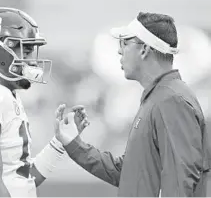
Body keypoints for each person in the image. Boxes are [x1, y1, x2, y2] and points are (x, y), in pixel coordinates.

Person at [54, 12, 211, 197]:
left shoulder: (171, 100)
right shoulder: (158, 98)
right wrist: (75, 144)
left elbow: (180, 182)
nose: (119, 51)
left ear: (144, 49)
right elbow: (131, 173)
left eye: (125, 43)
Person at [0, 7, 87, 197]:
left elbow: (23, 180)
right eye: (25, 52)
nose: (32, 61)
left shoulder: (3, 95)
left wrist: (60, 143)